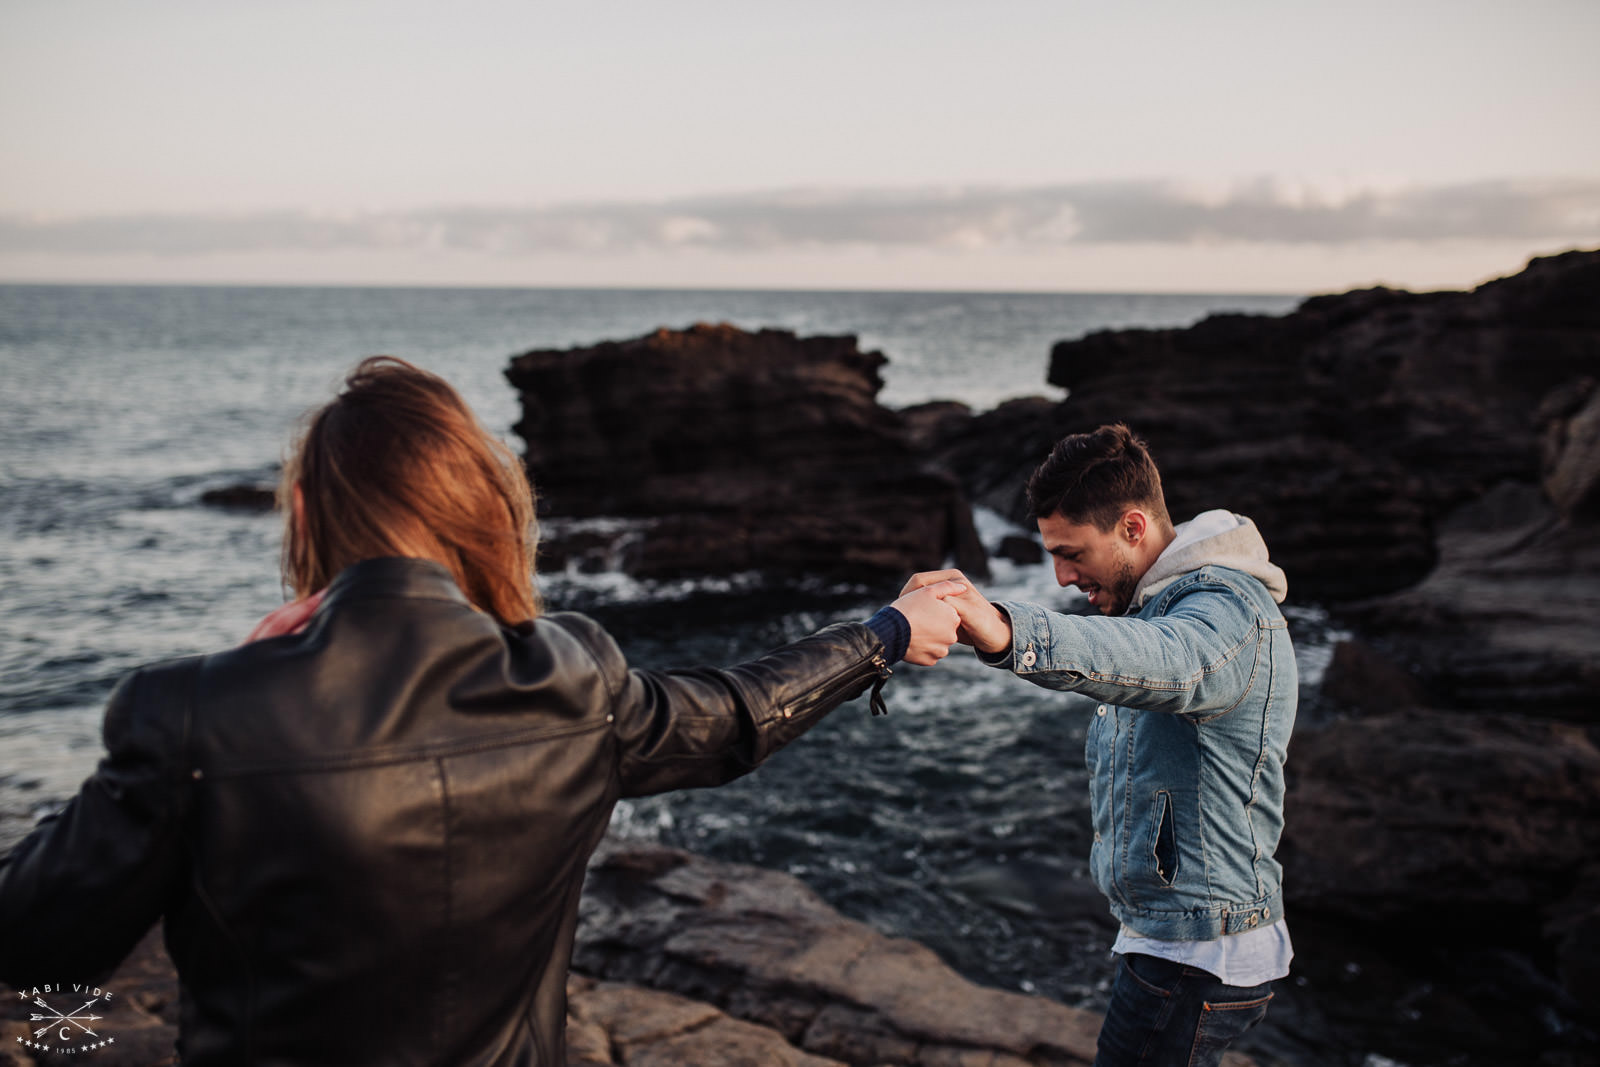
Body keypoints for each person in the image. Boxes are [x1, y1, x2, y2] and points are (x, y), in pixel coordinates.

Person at [0, 356, 968, 1066]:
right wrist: (885, 631)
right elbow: (735, 714)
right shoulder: (574, 671)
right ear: (482, 507)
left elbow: (38, 941)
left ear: (300, 509)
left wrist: (210, 715)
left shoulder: (190, 709)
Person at [904, 423, 1295, 1067]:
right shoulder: (1159, 607)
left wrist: (1003, 629)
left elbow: (1172, 660)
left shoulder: (1227, 612)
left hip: (1198, 953)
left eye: (1072, 552)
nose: (1059, 576)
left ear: (1133, 528)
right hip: (1180, 944)